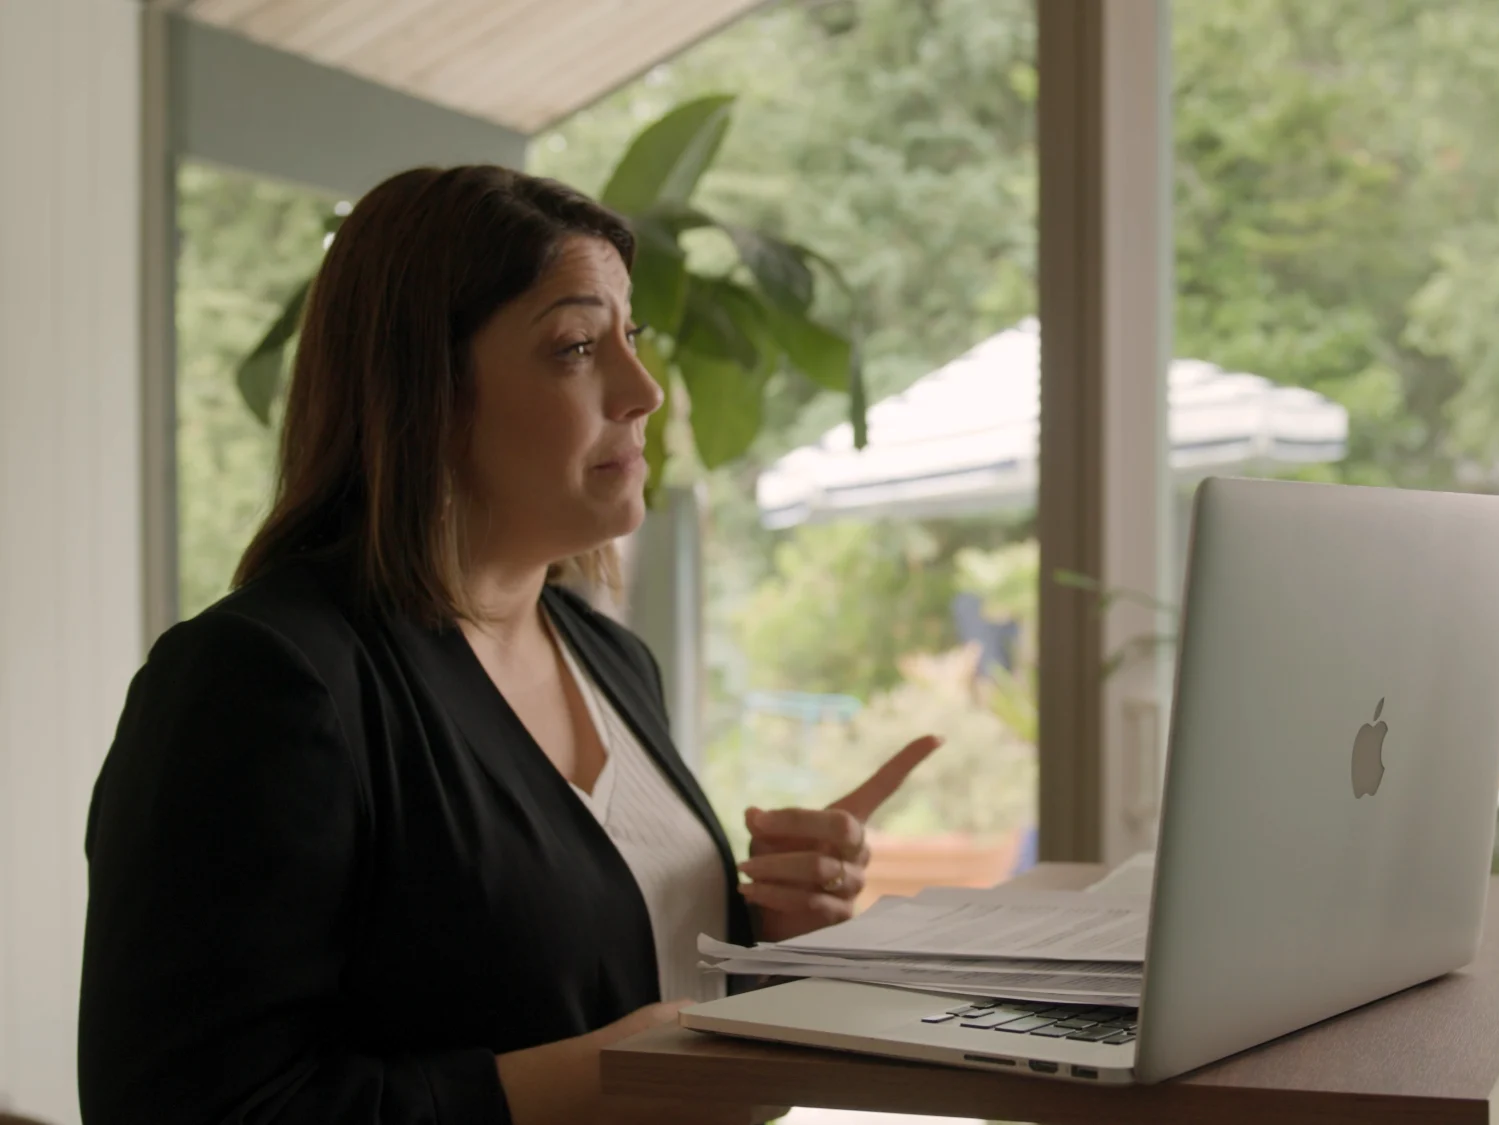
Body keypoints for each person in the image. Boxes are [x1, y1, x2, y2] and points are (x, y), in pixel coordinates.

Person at [76, 165, 940, 1125]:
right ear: (424, 391)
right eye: (576, 345)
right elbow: (181, 1107)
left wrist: (769, 929)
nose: (644, 389)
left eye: (631, 336)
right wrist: (587, 1080)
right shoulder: (260, 680)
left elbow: (632, 984)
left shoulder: (612, 659)